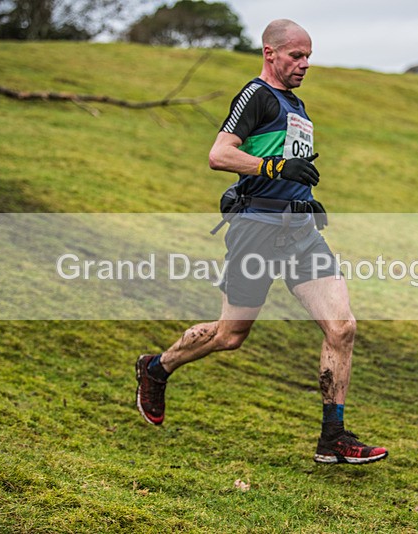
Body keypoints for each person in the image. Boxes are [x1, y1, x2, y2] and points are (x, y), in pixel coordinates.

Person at [136, 19, 388, 465]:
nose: (305, 64)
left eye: (309, 55)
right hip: (256, 230)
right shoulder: (255, 95)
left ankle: (333, 436)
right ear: (270, 53)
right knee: (230, 336)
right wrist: (274, 171)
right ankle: (157, 368)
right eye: (296, 55)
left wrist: (303, 197)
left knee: (342, 327)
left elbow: (287, 164)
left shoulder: (298, 106)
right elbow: (220, 154)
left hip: (300, 233)